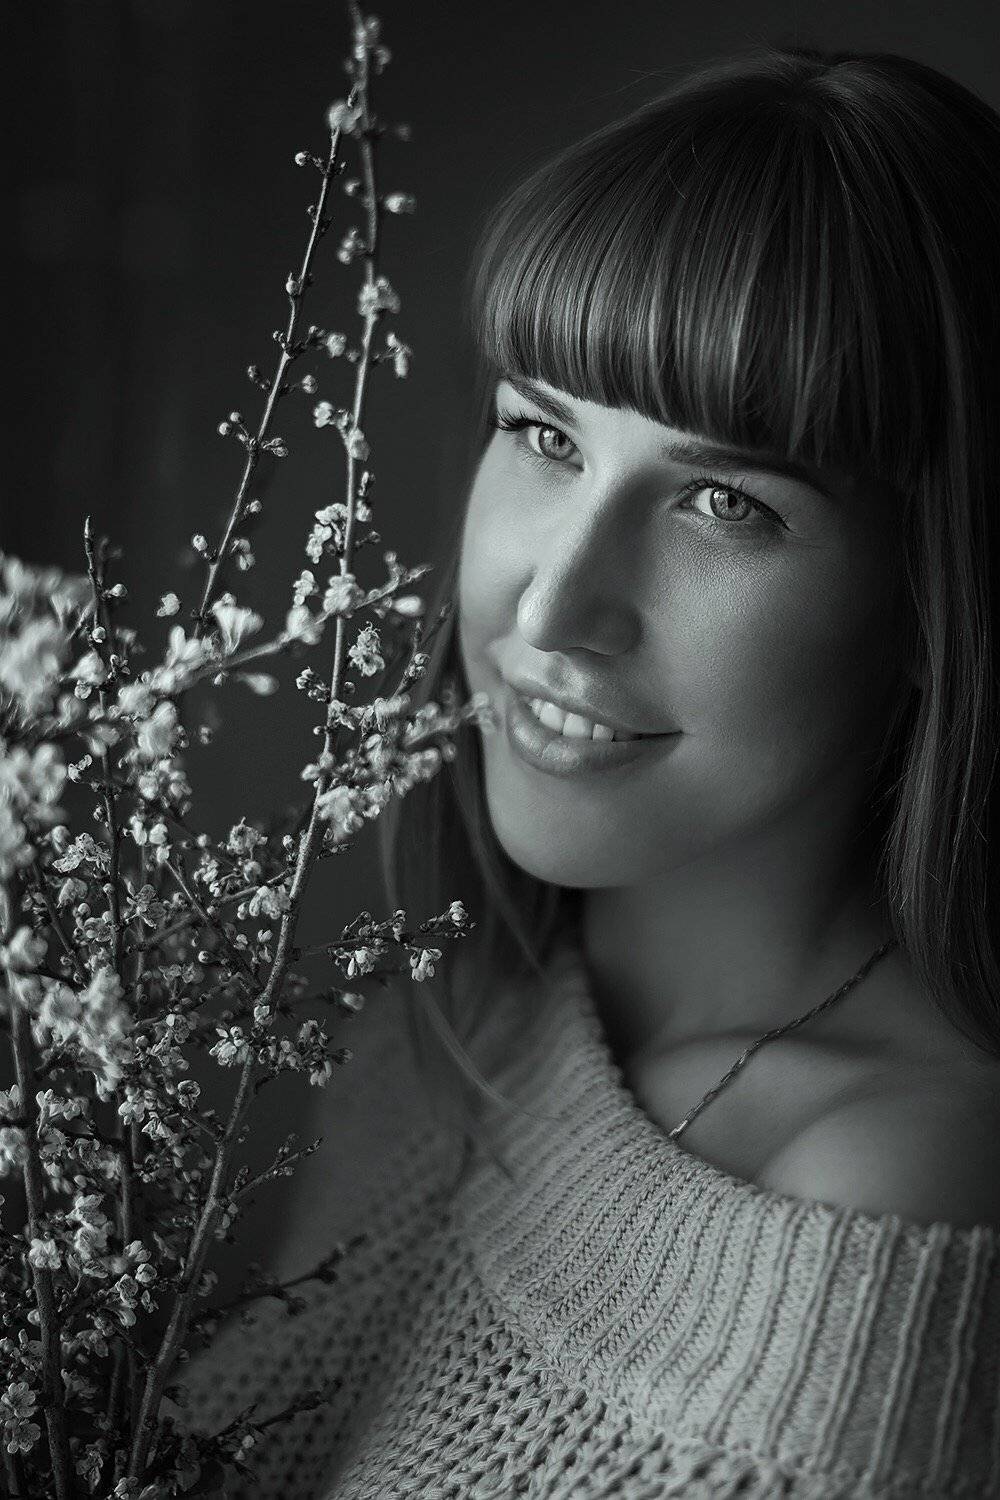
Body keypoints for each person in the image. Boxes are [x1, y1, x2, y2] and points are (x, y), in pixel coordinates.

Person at [176, 43, 1000, 1497]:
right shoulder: (441, 1021)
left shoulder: (891, 1198)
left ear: (937, 596)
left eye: (724, 500)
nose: (553, 607)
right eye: (544, 433)